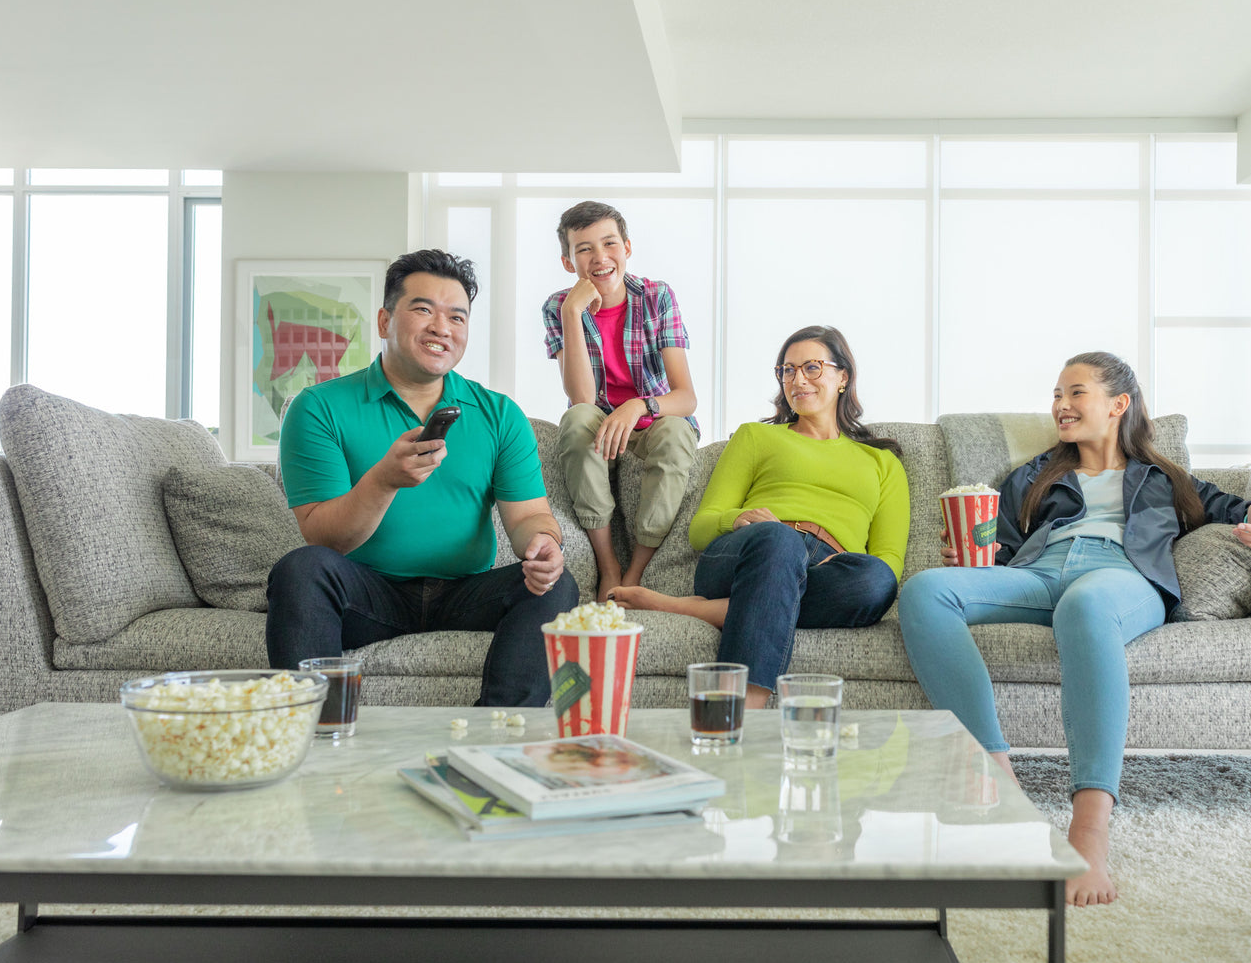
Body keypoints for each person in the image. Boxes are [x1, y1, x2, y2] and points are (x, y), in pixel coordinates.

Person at [897, 351, 1251, 907]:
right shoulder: (1034, 474)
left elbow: (1234, 508)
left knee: (1083, 607)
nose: (1060, 404)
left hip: (1120, 580)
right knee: (927, 589)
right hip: (1039, 574)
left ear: (1117, 404)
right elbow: (1001, 548)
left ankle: (1089, 828)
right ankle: (996, 782)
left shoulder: (1164, 478)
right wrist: (967, 555)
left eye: (1075, 392)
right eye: (1057, 395)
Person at [266, 248, 578, 707]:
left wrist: (543, 543)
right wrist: (384, 480)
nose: (441, 328)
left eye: (457, 317)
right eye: (423, 310)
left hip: (465, 594)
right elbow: (324, 539)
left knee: (558, 584)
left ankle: (496, 736)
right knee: (300, 569)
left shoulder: (500, 414)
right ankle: (314, 731)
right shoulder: (318, 408)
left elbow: (529, 515)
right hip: (368, 592)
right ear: (384, 321)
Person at [611, 326, 908, 709]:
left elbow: (889, 562)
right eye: (787, 370)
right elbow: (701, 528)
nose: (797, 380)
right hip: (749, 553)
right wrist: (737, 520)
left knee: (877, 581)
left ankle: (689, 607)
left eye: (812, 368)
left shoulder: (882, 462)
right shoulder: (756, 437)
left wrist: (842, 562)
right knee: (779, 541)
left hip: (830, 569)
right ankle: (742, 712)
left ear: (843, 377)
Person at [542, 201, 700, 600]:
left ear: (627, 247)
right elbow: (581, 398)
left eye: (609, 243)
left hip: (652, 423)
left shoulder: (656, 297)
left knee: (677, 435)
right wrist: (573, 312)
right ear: (567, 261)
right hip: (598, 424)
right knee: (577, 419)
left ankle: (635, 571)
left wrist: (638, 406)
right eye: (584, 249)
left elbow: (686, 397)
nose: (600, 258)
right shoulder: (557, 307)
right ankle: (607, 564)